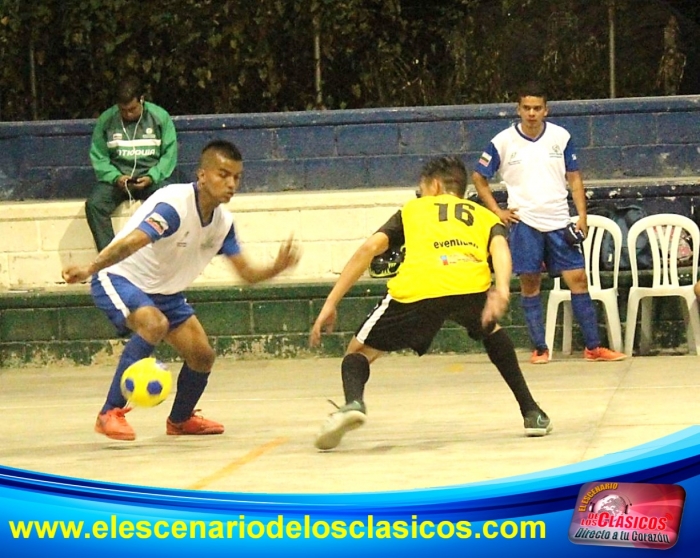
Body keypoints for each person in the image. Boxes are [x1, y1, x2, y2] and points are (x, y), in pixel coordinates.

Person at [309, 156, 552, 451]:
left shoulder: (414, 210)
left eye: (421, 187)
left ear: (434, 186)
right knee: (490, 329)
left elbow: (370, 248)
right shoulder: (483, 214)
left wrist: (331, 302)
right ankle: (531, 412)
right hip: (468, 283)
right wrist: (501, 288)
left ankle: (353, 404)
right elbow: (499, 246)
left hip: (419, 288)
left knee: (357, 353)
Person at [62, 140, 300, 441]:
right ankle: (109, 412)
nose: (231, 184)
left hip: (166, 293)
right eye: (223, 175)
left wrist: (276, 268)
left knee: (202, 356)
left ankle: (180, 419)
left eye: (236, 177)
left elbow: (247, 274)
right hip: (120, 277)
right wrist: (90, 268)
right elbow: (131, 242)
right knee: (154, 323)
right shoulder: (174, 205)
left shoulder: (223, 223)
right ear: (202, 176)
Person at [472, 82, 626, 365]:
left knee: (578, 279)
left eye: (537, 108)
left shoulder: (561, 137)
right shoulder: (502, 141)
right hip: (525, 223)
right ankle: (540, 348)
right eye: (526, 108)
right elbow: (479, 176)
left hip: (559, 220)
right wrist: (497, 211)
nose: (532, 113)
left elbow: (575, 177)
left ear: (546, 109)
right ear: (518, 109)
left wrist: (581, 215)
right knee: (530, 284)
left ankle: (593, 347)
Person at [85, 75, 178, 251]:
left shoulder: (160, 117)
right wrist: (115, 177)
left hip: (151, 178)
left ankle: (164, 255)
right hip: (118, 180)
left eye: (132, 109)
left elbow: (169, 154)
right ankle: (110, 258)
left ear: (142, 99)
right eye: (123, 110)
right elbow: (99, 156)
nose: (128, 114)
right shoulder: (106, 120)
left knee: (171, 201)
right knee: (94, 205)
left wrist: (153, 176)